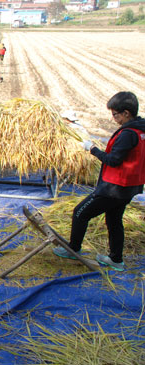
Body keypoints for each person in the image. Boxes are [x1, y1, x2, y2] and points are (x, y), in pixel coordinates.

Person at [53, 92, 145, 271]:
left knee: (80, 212)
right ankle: (116, 259)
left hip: (115, 187)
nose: (113, 118)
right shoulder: (141, 130)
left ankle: (73, 249)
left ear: (126, 113)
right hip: (129, 187)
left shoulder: (128, 133)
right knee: (114, 220)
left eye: (115, 114)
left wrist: (92, 149)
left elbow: (113, 160)